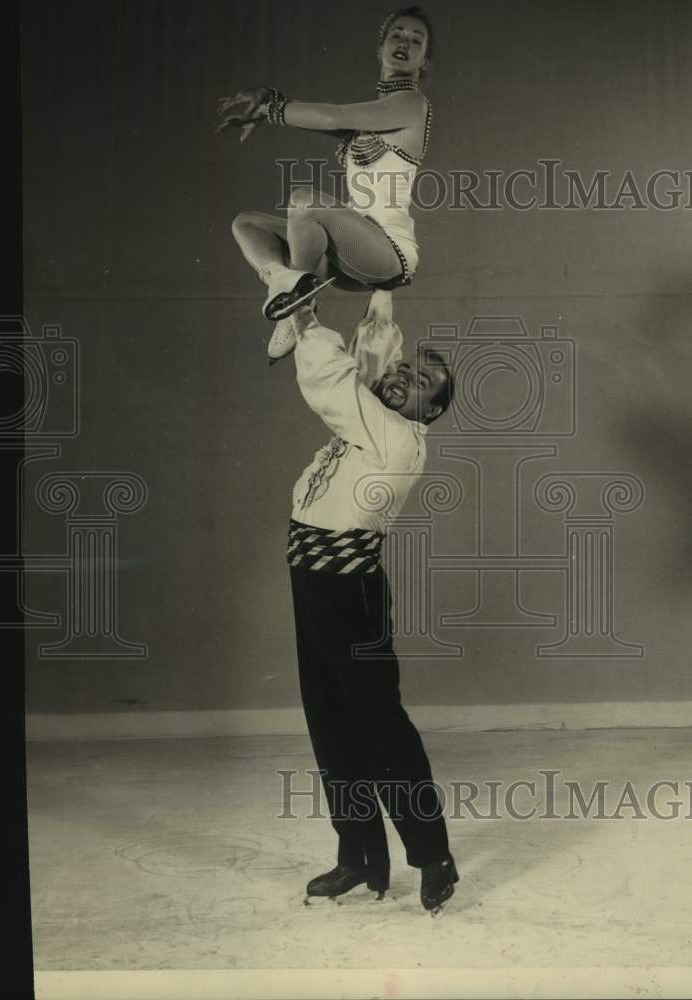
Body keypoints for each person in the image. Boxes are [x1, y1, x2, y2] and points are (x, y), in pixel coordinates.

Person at [286, 288, 459, 914]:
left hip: (348, 592)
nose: (405, 380)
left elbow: (335, 383)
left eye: (421, 383)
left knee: (378, 728)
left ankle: (433, 856)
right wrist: (377, 296)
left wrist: (302, 316)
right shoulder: (370, 424)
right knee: (329, 724)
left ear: (429, 412)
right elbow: (368, 357)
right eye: (406, 370)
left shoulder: (397, 438)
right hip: (312, 583)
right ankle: (359, 857)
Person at [216, 7, 434, 361]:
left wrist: (270, 108)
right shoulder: (373, 119)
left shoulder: (411, 104)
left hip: (389, 253)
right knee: (248, 224)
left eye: (416, 40)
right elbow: (318, 119)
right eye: (396, 34)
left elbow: (333, 115)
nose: (404, 43)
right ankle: (284, 285)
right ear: (379, 48)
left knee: (305, 203)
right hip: (348, 253)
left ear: (424, 62)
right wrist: (269, 100)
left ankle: (299, 306)